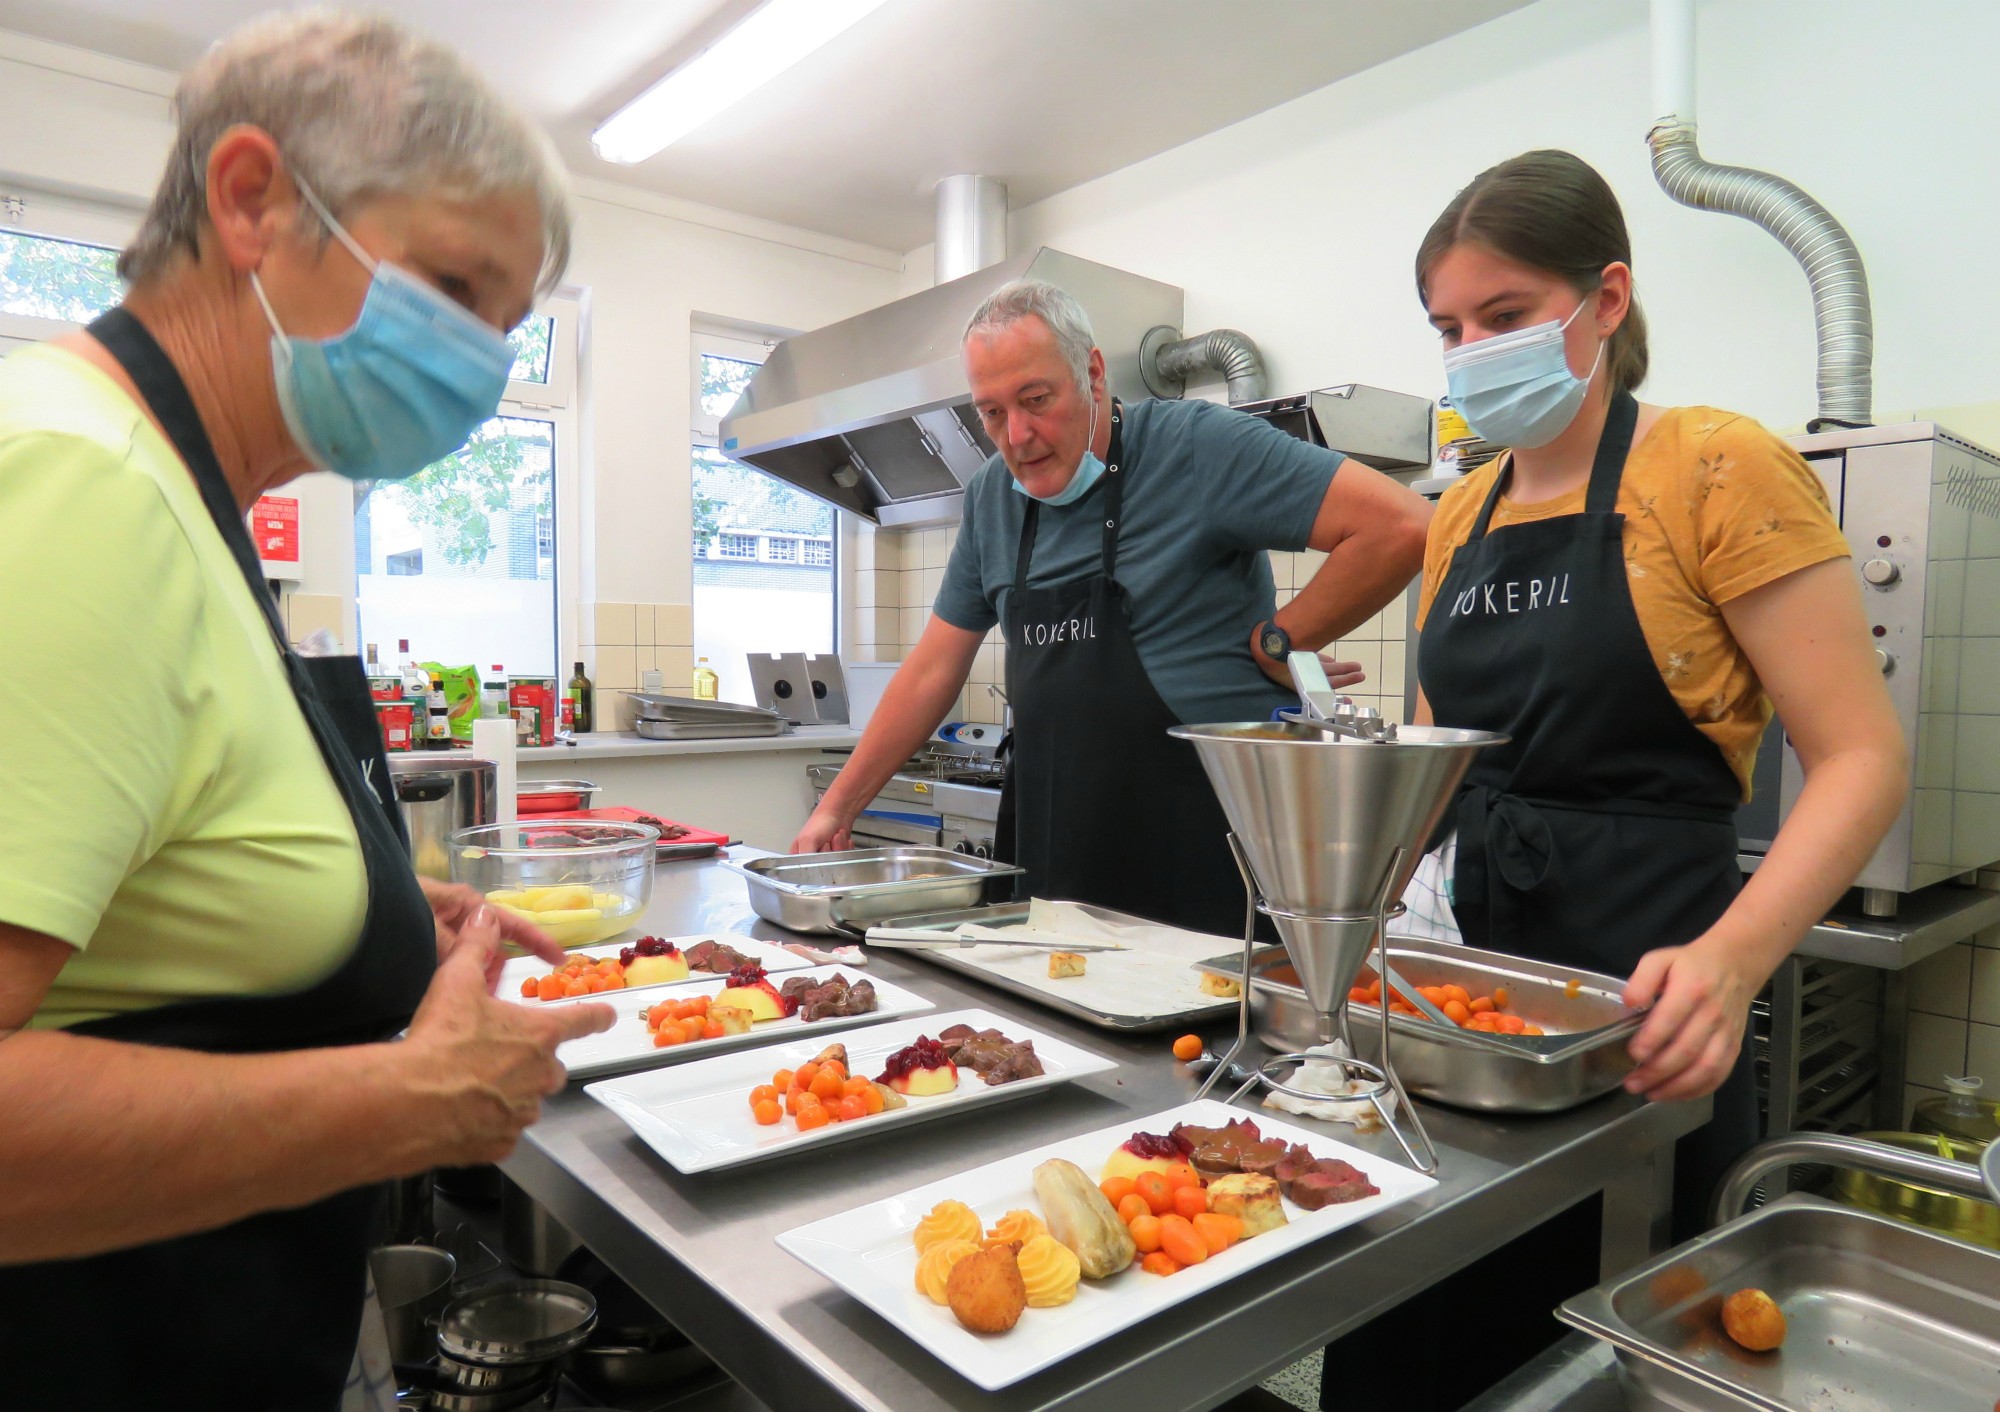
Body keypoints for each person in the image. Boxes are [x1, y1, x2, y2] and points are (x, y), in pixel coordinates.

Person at [0, 14, 614, 1410]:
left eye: (507, 331)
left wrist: (370, 912)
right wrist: (414, 1101)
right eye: (453, 288)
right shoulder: (78, 487)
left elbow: (154, 904)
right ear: (250, 198)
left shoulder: (178, 492)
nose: (478, 370)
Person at [1321, 149, 1905, 1412]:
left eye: (1505, 315)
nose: (1470, 350)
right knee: (1421, 1338)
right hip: (1469, 1020)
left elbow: (1862, 755)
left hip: (1649, 996)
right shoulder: (1459, 513)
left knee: (1604, 1363)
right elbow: (1437, 762)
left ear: (1605, 299)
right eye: (1447, 327)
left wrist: (1734, 960)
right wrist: (1359, 917)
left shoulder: (1710, 467)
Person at [792, 280, 1430, 936]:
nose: (1018, 435)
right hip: (1053, 846)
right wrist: (838, 809)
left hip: (1204, 844)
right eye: (991, 412)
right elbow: (932, 669)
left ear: (1092, 373)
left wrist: (1279, 638)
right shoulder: (992, 499)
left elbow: (1404, 526)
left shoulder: (1193, 446)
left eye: (1037, 400)